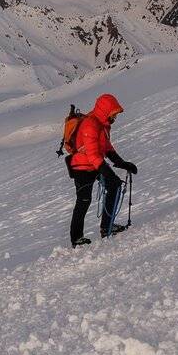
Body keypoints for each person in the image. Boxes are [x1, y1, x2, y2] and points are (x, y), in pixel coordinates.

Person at [61, 93, 138, 247]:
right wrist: (107, 172)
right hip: (82, 166)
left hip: (94, 164)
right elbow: (92, 154)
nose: (115, 117)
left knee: (114, 186)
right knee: (84, 200)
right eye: (113, 114)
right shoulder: (91, 125)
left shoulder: (103, 125)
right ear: (105, 111)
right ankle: (77, 238)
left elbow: (107, 148)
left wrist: (122, 163)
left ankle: (106, 227)